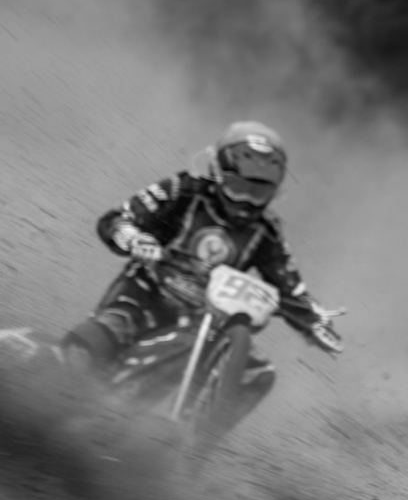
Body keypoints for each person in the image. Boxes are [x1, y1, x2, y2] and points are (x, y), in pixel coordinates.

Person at [63, 121, 343, 419]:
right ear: (218, 173)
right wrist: (134, 239)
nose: (246, 202)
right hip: (143, 296)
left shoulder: (266, 233)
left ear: (274, 193)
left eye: (258, 193)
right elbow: (117, 218)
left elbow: (290, 287)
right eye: (239, 187)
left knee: (258, 373)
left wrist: (314, 321)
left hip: (199, 324)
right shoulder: (183, 191)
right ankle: (50, 392)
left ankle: (193, 446)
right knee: (93, 343)